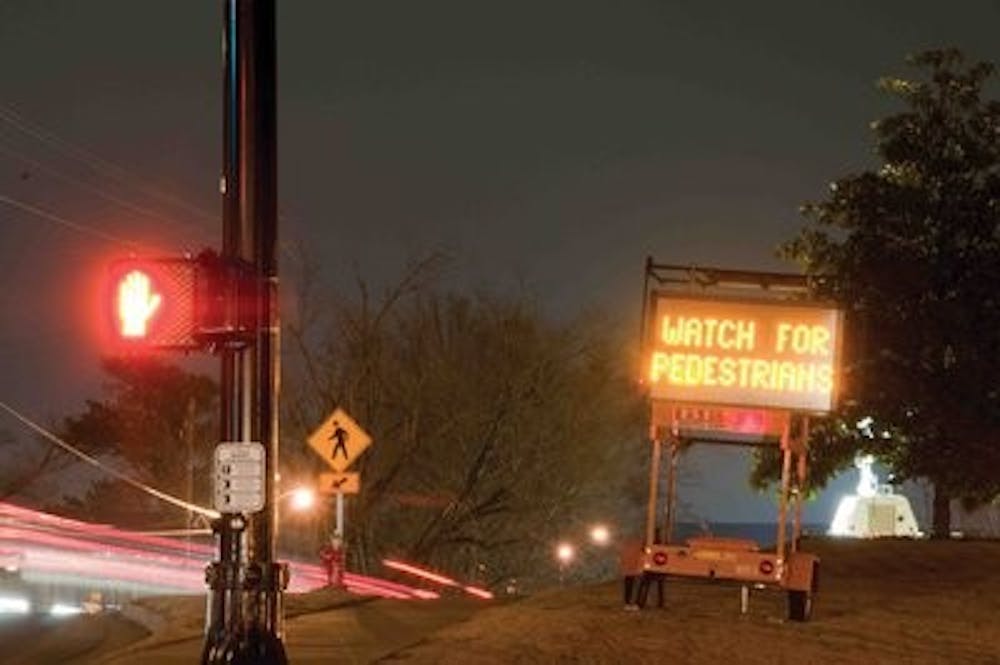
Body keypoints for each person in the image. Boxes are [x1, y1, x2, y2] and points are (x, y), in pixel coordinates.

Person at [619, 536, 644, 610]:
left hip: (630, 570)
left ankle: (629, 603)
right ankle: (634, 603)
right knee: (634, 587)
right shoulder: (639, 546)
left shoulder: (625, 547)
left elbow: (622, 559)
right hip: (634, 570)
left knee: (630, 586)